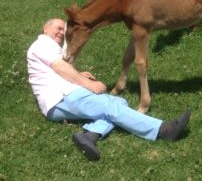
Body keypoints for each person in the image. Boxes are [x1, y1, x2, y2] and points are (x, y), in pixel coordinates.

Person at [27, 18, 191, 161]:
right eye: (58, 27)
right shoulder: (42, 43)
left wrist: (77, 73)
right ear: (45, 28)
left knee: (119, 101)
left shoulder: (50, 49)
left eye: (64, 29)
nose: (62, 32)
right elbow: (60, 67)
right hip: (61, 98)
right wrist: (87, 83)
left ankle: (89, 136)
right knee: (110, 107)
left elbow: (56, 70)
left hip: (62, 99)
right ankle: (163, 130)